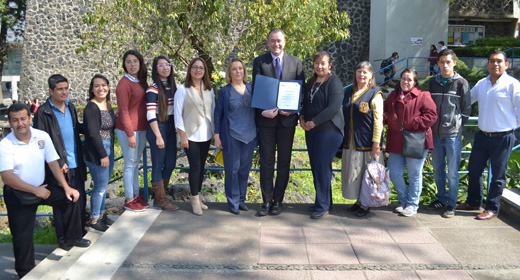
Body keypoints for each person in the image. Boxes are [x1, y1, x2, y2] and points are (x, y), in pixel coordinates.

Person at [0, 103, 89, 278]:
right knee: (22, 238)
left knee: (70, 198)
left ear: (30, 118)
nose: (20, 124)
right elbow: (8, 178)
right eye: (15, 120)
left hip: (41, 188)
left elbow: (53, 163)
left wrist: (66, 187)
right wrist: (35, 191)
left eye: (23, 119)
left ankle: (70, 240)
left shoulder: (42, 136)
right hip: (18, 195)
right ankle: (26, 273)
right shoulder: (5, 145)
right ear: (10, 122)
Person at [458, 50, 520, 220]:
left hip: (503, 137)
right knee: (474, 170)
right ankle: (474, 202)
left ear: (506, 64)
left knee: (498, 175)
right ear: (487, 64)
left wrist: (513, 125)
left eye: (499, 61)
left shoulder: (512, 85)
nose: (495, 64)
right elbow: (468, 100)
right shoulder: (482, 83)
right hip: (482, 135)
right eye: (492, 61)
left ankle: (492, 208)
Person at [252, 28, 305, 216]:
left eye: (279, 41)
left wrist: (292, 109)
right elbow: (257, 91)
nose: (276, 44)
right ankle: (265, 201)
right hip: (266, 121)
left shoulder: (296, 62)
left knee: (284, 162)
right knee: (266, 162)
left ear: (285, 42)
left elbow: (301, 91)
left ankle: (278, 201)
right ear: (268, 43)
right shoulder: (260, 61)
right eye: (272, 41)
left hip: (287, 122)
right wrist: (263, 111)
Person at [33, 74, 89, 247]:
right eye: (60, 89)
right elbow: (41, 142)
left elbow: (75, 129)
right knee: (63, 204)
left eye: (66, 88)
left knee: (79, 200)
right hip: (58, 165)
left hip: (76, 162)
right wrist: (57, 160)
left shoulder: (70, 106)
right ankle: (65, 240)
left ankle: (78, 233)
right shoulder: (43, 112)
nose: (64, 92)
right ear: (51, 91)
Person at [383, 68, 437, 217]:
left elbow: (432, 116)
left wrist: (414, 122)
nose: (406, 82)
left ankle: (413, 204)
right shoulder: (393, 95)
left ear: (415, 81)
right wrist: (388, 118)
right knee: (393, 172)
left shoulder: (423, 95)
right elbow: (384, 111)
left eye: (409, 79)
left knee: (414, 173)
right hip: (396, 140)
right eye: (403, 79)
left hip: (416, 140)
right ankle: (404, 200)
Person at [426, 49, 471, 218]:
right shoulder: (433, 82)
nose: (445, 65)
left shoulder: (462, 83)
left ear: (454, 63)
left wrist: (457, 125)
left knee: (452, 172)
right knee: (438, 170)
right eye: (442, 62)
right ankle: (441, 199)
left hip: (453, 135)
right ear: (437, 63)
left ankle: (451, 204)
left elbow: (467, 109)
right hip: (436, 135)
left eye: (448, 62)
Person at [299, 51, 344, 219]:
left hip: (329, 130)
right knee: (317, 166)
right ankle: (325, 201)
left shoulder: (334, 82)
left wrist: (314, 121)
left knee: (322, 166)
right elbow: (306, 103)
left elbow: (333, 108)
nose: (320, 66)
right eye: (317, 63)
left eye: (323, 63)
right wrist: (302, 117)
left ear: (330, 65)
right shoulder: (312, 82)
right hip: (312, 130)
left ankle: (323, 205)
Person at [341, 61, 384, 218]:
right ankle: (359, 201)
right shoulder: (349, 92)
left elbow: (378, 121)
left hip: (367, 142)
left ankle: (366, 204)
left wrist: (376, 144)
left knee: (368, 174)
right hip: (351, 141)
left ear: (371, 75)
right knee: (355, 173)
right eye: (359, 71)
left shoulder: (375, 94)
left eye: (365, 72)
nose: (362, 74)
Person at [214, 58, 256, 215]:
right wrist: (217, 136)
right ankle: (233, 202)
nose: (238, 71)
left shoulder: (251, 89)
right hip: (231, 136)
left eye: (240, 68)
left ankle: (241, 200)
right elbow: (217, 115)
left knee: (244, 170)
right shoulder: (225, 91)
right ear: (229, 73)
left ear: (244, 71)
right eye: (234, 69)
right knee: (232, 170)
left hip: (250, 136)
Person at [174, 57, 214, 216]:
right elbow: (178, 115)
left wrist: (215, 134)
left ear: (205, 71)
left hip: (206, 135)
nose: (198, 70)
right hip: (190, 135)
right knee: (195, 166)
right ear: (190, 70)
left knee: (202, 167)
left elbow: (213, 111)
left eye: (201, 68)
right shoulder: (183, 89)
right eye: (195, 67)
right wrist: (182, 136)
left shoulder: (209, 89)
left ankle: (198, 196)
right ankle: (194, 199)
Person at [115, 50, 149, 211]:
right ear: (124, 65)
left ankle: (135, 195)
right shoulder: (124, 84)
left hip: (141, 128)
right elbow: (123, 111)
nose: (132, 65)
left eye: (135, 61)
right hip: (129, 129)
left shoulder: (139, 81)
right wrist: (130, 134)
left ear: (140, 63)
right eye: (128, 62)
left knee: (136, 163)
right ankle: (129, 199)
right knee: (130, 163)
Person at [83, 74, 117, 231]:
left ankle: (102, 216)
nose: (100, 88)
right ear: (92, 89)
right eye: (96, 86)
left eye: (103, 85)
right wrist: (103, 155)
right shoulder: (92, 107)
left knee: (104, 185)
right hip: (98, 151)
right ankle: (95, 220)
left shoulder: (108, 105)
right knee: (100, 187)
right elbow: (92, 134)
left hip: (108, 146)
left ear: (108, 87)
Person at [146, 56, 179, 211]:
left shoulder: (173, 86)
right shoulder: (153, 88)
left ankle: (161, 195)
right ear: (156, 68)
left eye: (168, 64)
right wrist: (158, 136)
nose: (165, 67)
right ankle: (160, 200)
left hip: (171, 126)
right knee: (158, 164)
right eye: (161, 65)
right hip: (158, 126)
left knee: (171, 162)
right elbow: (150, 114)